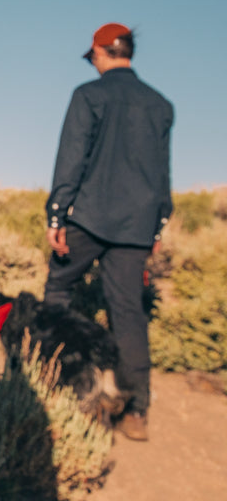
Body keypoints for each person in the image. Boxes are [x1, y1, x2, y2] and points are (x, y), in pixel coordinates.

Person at [43, 22, 173, 441]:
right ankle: (136, 411)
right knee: (129, 313)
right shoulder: (160, 105)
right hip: (137, 225)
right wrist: (158, 223)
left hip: (88, 217)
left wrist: (57, 214)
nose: (93, 62)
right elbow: (161, 173)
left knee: (59, 291)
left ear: (101, 52)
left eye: (93, 55)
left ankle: (53, 382)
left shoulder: (89, 95)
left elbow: (71, 159)